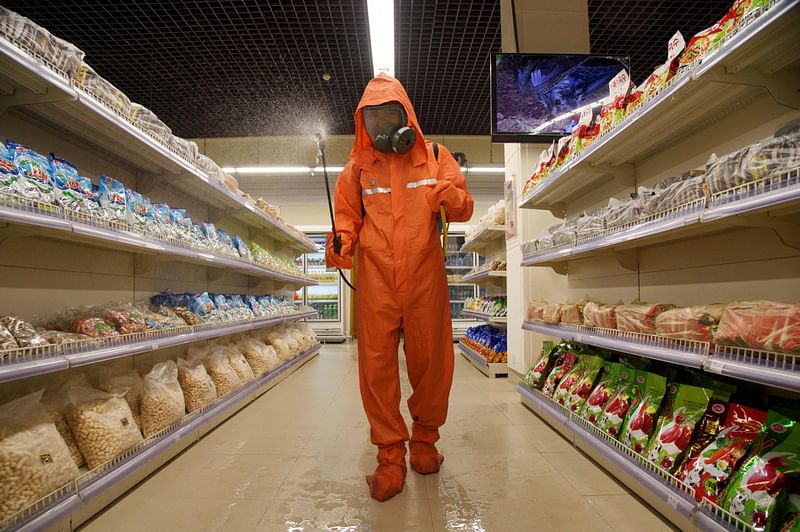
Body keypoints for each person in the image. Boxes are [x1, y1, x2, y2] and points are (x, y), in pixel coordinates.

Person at [326, 73, 474, 502]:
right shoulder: (355, 171)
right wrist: (339, 247)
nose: (382, 129)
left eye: (390, 117)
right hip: (376, 283)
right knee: (377, 370)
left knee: (433, 364)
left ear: (406, 115)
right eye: (373, 121)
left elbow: (463, 208)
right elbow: (344, 226)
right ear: (362, 125)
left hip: (425, 279)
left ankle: (425, 443)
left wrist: (448, 193)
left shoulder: (434, 156)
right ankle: (390, 457)